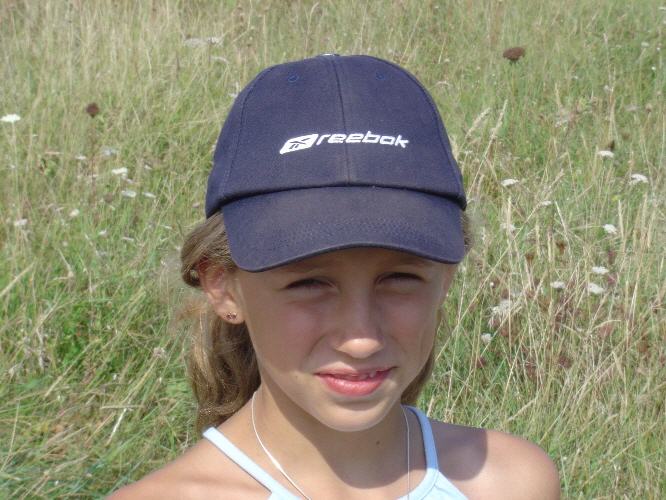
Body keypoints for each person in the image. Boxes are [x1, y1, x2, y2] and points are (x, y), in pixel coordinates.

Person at [111, 54, 559, 499]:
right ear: (223, 287)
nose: (361, 339)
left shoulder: (511, 483)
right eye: (307, 284)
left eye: (399, 278)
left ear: (446, 278)